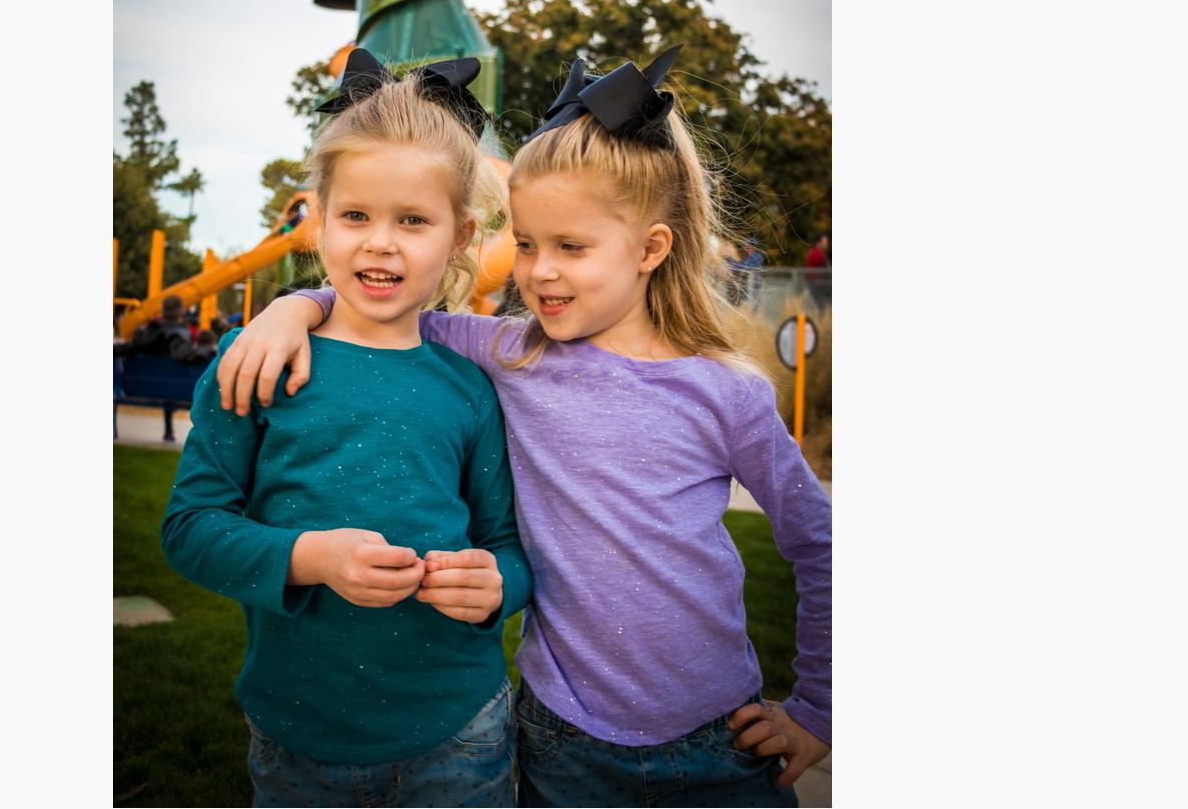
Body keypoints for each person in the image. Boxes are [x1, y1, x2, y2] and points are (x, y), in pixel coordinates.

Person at [221, 46, 831, 807]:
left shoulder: (725, 393)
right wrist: (293, 307)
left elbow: (820, 541)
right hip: (559, 740)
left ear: (651, 248)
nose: (538, 271)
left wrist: (818, 711)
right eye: (529, 244)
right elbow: (385, 306)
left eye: (570, 248)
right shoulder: (511, 352)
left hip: (718, 741)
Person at [160, 50, 531, 808]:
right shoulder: (256, 360)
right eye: (355, 215)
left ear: (461, 235)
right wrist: (307, 557)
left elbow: (507, 546)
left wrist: (499, 586)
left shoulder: (471, 387)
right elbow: (190, 527)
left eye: (413, 221)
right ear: (319, 219)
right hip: (301, 735)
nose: (380, 242)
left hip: (460, 732)